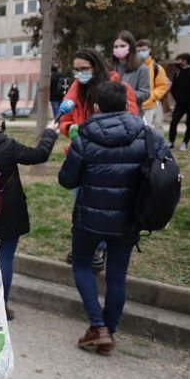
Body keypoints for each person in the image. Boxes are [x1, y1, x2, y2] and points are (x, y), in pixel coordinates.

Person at [58, 80, 170, 356]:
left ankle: (98, 326)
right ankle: (108, 329)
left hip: (89, 218)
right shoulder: (147, 134)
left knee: (83, 264)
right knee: (117, 275)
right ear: (126, 105)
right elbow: (164, 171)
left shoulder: (84, 136)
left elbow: (66, 179)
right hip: (130, 218)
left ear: (96, 107)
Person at [0, 108, 58, 321]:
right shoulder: (7, 145)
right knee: (4, 257)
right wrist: (50, 133)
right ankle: (0, 307)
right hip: (6, 211)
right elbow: (38, 155)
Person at [59, 48, 139, 269]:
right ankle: (90, 247)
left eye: (84, 69)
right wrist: (70, 128)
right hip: (82, 155)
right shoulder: (76, 89)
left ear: (96, 66)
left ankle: (101, 248)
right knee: (84, 205)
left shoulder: (118, 88)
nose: (79, 74)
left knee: (106, 204)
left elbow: (131, 122)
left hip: (112, 157)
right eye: (75, 69)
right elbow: (63, 119)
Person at [112, 30, 150, 113]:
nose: (119, 49)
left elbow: (145, 93)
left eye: (122, 46)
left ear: (131, 47)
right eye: (116, 46)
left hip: (131, 113)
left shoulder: (142, 69)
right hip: (111, 112)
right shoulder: (110, 67)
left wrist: (124, 95)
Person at [136, 39, 170, 128]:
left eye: (143, 50)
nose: (140, 52)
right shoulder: (132, 67)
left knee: (150, 130)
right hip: (134, 105)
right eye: (138, 51)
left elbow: (162, 85)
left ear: (149, 50)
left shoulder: (157, 68)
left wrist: (152, 96)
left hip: (150, 106)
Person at [167, 53, 190, 151]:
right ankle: (171, 142)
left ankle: (185, 143)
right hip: (180, 103)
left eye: (178, 60)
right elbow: (173, 88)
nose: (176, 62)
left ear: (185, 60)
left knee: (189, 123)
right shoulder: (178, 73)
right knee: (174, 122)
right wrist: (177, 97)